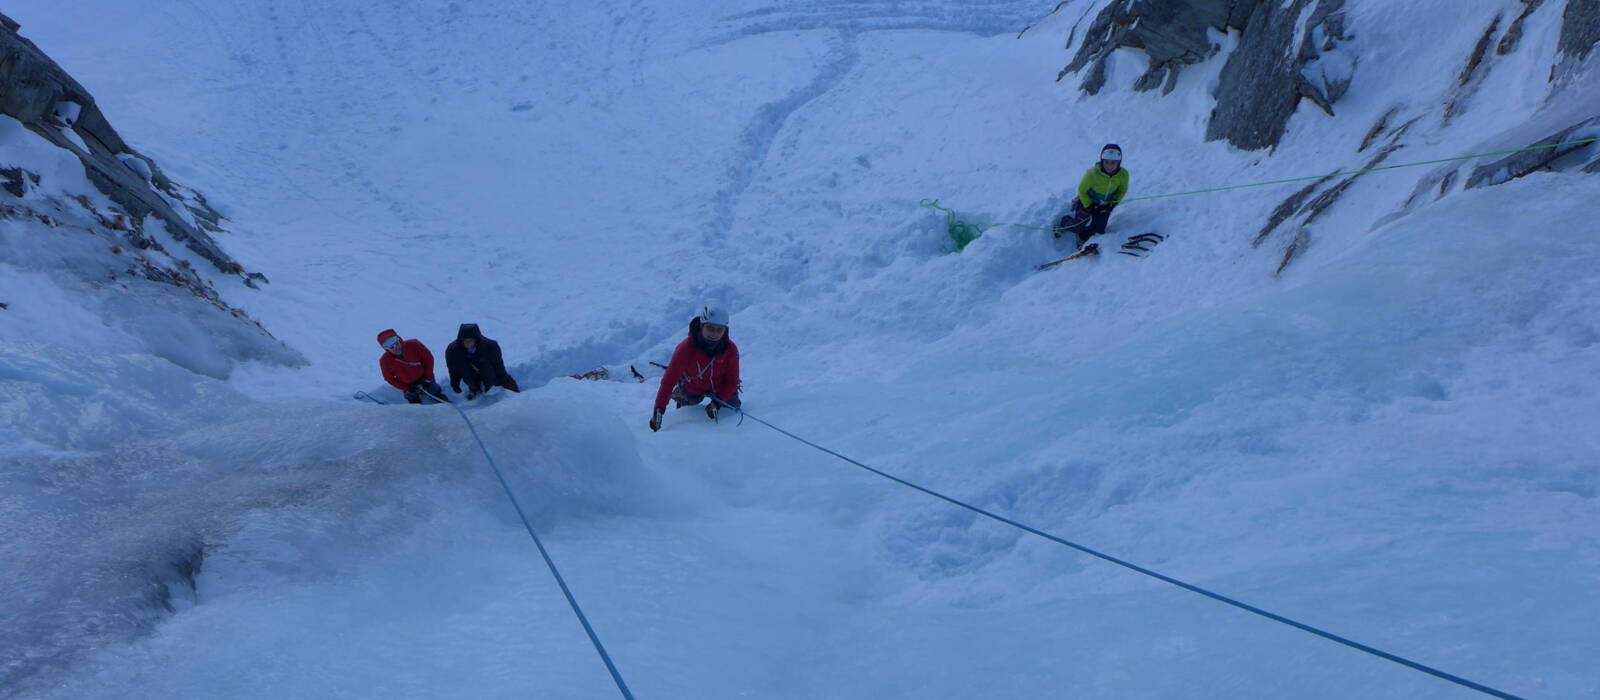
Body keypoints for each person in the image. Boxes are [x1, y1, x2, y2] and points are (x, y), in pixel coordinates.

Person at [649, 304, 741, 432]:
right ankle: (681, 395)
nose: (714, 334)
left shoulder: (730, 350)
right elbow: (669, 381)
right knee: (686, 413)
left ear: (725, 330)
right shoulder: (685, 348)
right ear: (702, 325)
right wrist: (659, 409)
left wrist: (717, 403)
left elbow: (731, 381)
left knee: (732, 409)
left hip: (720, 387)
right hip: (693, 386)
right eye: (710, 328)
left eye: (719, 330)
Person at [1057, 144, 1130, 248]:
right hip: (1087, 201)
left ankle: (1083, 237)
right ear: (1102, 161)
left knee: (1098, 230)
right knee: (1079, 224)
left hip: (1105, 205)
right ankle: (1065, 222)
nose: (1110, 166)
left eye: (1113, 163)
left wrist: (1112, 204)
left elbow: (1122, 191)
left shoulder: (1123, 175)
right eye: (1106, 162)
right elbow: (1082, 190)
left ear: (1119, 162)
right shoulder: (1092, 174)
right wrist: (1090, 206)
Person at [446, 323, 519, 399]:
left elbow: (498, 364)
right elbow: (453, 369)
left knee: (488, 371)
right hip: (468, 371)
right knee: (465, 371)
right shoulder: (453, 351)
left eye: (470, 340)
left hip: (487, 369)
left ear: (476, 339)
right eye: (465, 341)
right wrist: (455, 384)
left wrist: (504, 379)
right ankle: (474, 389)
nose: (467, 343)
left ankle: (490, 390)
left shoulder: (490, 347)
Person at [377, 328, 449, 404]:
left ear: (399, 340)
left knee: (432, 388)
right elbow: (389, 378)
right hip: (408, 384)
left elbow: (429, 359)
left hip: (425, 376)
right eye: (391, 347)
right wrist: (407, 388)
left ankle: (437, 394)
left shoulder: (414, 345)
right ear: (386, 349)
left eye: (396, 344)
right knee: (411, 396)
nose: (396, 348)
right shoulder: (384, 361)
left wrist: (427, 377)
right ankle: (415, 403)